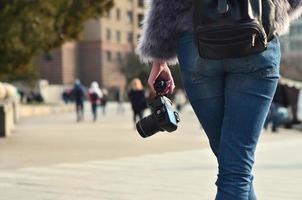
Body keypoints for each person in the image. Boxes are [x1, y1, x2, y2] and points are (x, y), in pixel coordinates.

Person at [136, 1, 302, 200]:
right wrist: (277, 11)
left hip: (196, 42)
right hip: (257, 36)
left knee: (234, 167)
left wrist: (159, 58)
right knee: (236, 168)